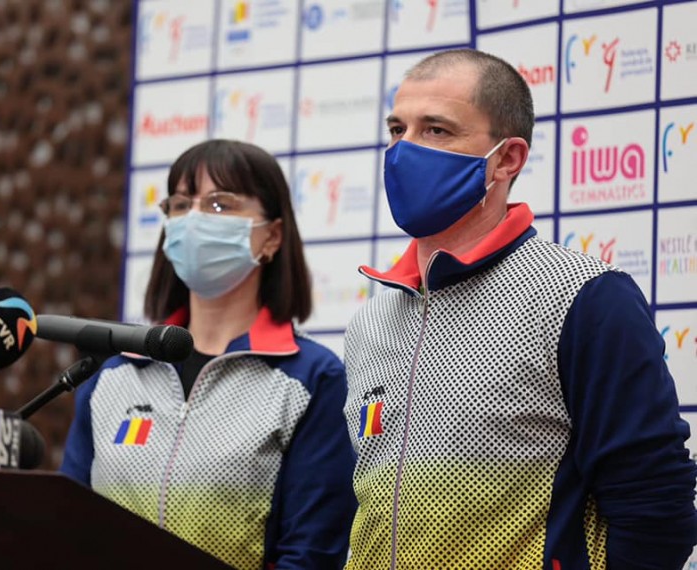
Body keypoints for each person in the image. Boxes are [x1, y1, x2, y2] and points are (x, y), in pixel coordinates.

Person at [343, 48, 697, 570]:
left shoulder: (586, 297)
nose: (404, 150)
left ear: (507, 159)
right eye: (398, 130)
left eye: (436, 130)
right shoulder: (370, 322)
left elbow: (656, 509)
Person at [61, 139, 357, 569]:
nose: (195, 218)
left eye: (220, 204)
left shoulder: (312, 379)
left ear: (272, 236)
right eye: (181, 205)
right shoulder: (114, 373)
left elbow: (310, 555)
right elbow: (68, 528)